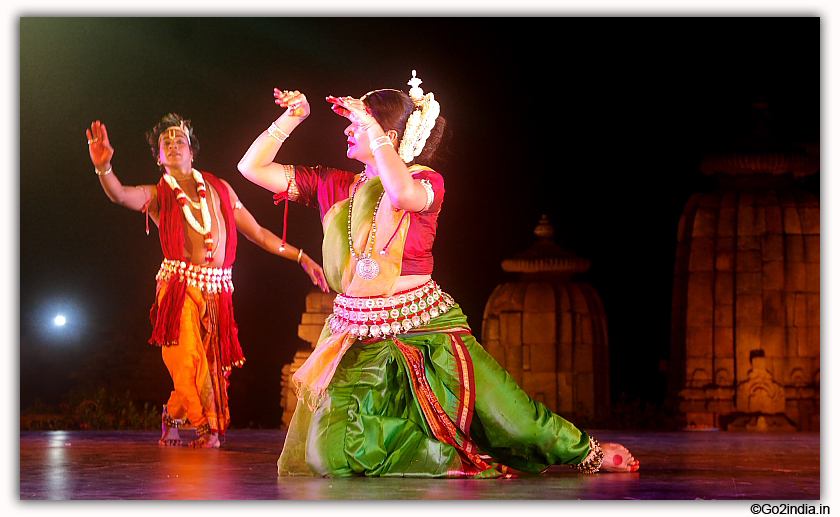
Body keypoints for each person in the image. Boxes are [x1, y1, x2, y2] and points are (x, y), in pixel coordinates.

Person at [238, 72, 640, 476]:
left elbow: (400, 195)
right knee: (328, 455)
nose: (347, 129)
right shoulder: (335, 185)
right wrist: (293, 116)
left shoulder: (426, 180)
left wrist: (374, 128)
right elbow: (251, 167)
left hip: (423, 324)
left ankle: (585, 451)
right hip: (357, 332)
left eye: (356, 124)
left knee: (504, 409)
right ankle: (447, 455)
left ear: (388, 136)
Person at [86, 113, 329, 448]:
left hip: (218, 291)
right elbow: (120, 194)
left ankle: (172, 417)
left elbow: (257, 232)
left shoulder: (220, 188)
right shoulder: (158, 193)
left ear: (192, 151)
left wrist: (301, 256)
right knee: (186, 358)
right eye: (165, 143)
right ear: (159, 157)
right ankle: (206, 428)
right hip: (177, 287)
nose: (172, 146)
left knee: (212, 366)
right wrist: (103, 168)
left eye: (179, 141)